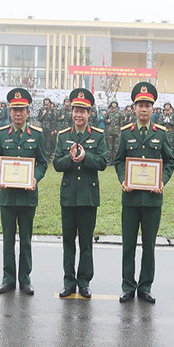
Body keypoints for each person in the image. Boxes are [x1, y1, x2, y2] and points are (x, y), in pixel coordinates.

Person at [114, 82, 174, 304]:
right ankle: (128, 286)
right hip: (130, 198)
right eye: (140, 104)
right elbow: (119, 160)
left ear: (153, 109)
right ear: (134, 108)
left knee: (149, 245)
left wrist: (162, 181)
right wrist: (123, 179)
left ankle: (146, 286)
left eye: (147, 105)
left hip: (152, 199)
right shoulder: (125, 134)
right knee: (128, 244)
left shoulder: (161, 133)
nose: (143, 109)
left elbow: (169, 161)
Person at [0, 87, 48, 296]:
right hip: (7, 196)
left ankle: (25, 279)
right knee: (8, 239)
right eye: (14, 109)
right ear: (9, 111)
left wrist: (35, 178)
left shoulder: (37, 136)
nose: (17, 113)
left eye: (21, 109)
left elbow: (43, 162)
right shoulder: (1, 135)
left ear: (28, 112)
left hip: (27, 196)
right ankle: (8, 279)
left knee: (25, 239)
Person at [53, 88, 108, 299]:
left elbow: (103, 162)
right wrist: (70, 159)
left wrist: (85, 157)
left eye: (83, 111)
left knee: (86, 242)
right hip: (69, 196)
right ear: (71, 111)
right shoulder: (63, 136)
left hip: (88, 196)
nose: (79, 114)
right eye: (76, 110)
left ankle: (84, 281)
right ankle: (69, 281)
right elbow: (57, 163)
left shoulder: (98, 136)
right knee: (68, 241)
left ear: (89, 113)